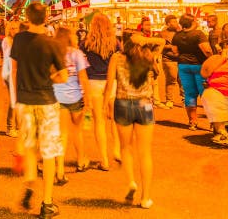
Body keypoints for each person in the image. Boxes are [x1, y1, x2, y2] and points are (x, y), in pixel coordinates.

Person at [11, 2, 67, 219]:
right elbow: (63, 75)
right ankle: (47, 202)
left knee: (31, 148)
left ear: (27, 17)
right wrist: (50, 77)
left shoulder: (18, 40)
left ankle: (29, 184)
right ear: (46, 18)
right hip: (46, 101)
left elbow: (14, 70)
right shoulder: (52, 44)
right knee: (49, 152)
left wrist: (17, 98)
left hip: (25, 100)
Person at [104, 32, 160, 209]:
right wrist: (146, 41)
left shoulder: (116, 57)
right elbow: (162, 42)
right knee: (145, 153)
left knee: (125, 148)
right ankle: (146, 197)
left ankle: (131, 182)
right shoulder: (149, 55)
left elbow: (109, 83)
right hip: (145, 105)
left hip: (123, 104)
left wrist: (106, 103)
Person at [79, 13, 120, 171]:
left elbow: (82, 65)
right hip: (112, 82)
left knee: (99, 122)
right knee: (115, 119)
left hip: (93, 83)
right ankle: (117, 149)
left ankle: (104, 159)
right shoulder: (115, 43)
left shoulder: (86, 43)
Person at [53, 27, 90, 183]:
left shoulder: (54, 53)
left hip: (57, 97)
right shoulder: (77, 54)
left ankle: (60, 170)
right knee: (78, 131)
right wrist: (87, 100)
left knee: (61, 135)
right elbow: (83, 77)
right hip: (75, 97)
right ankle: (81, 160)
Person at [174, 14, 213, 130]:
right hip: (199, 66)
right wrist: (212, 60)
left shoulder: (177, 35)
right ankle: (213, 122)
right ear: (192, 22)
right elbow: (207, 51)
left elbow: (175, 51)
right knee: (205, 94)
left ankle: (192, 121)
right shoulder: (198, 34)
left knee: (189, 94)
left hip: (183, 66)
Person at [0, 21, 21, 138]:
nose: (14, 30)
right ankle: (10, 127)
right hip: (9, 73)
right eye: (12, 28)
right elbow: (7, 60)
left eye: (17, 28)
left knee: (18, 100)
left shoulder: (19, 41)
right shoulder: (7, 41)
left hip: (18, 73)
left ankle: (18, 126)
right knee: (13, 100)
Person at [157, 15, 181, 109]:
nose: (176, 23)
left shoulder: (180, 33)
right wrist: (170, 47)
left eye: (176, 21)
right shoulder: (162, 34)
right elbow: (158, 45)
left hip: (181, 59)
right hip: (168, 60)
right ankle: (169, 100)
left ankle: (183, 99)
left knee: (182, 80)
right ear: (168, 24)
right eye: (173, 22)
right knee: (171, 80)